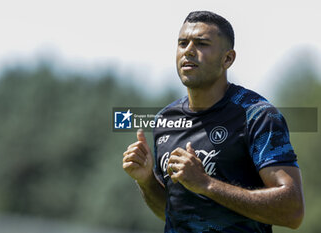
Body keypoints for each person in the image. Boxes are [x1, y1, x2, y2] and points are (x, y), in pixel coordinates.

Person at [122, 11, 304, 233]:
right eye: (182, 43)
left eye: (201, 43)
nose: (188, 50)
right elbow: (172, 212)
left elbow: (292, 211)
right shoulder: (164, 120)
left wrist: (206, 184)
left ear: (227, 59)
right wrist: (146, 180)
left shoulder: (258, 116)